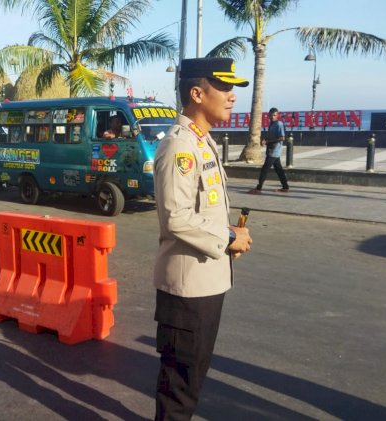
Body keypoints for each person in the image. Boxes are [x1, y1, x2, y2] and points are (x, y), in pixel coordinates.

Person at [152, 57, 253, 420]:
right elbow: (176, 218)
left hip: (206, 283)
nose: (231, 97)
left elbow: (202, 212)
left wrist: (230, 234)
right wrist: (227, 236)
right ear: (197, 93)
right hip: (187, 290)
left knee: (192, 379)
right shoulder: (179, 147)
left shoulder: (202, 141)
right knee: (180, 387)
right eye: (224, 88)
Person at [249, 107, 290, 194]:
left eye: (275, 115)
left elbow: (282, 138)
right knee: (279, 169)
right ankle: (285, 187)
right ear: (269, 116)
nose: (273, 117)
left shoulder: (279, 124)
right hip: (271, 150)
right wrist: (265, 141)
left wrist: (268, 141)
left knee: (265, 169)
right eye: (271, 115)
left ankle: (258, 188)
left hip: (275, 151)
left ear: (277, 115)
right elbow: (271, 136)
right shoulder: (271, 124)